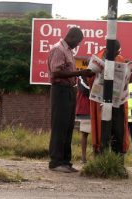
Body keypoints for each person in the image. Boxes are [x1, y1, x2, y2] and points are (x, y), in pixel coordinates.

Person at [48, 27, 94, 173]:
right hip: (60, 90)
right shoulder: (59, 49)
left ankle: (66, 161)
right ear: (72, 37)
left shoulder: (68, 51)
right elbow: (56, 71)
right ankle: (56, 162)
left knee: (68, 127)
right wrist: (80, 72)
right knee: (59, 126)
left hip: (69, 90)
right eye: (78, 42)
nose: (78, 45)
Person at [88, 40, 130, 157]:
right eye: (114, 53)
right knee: (102, 131)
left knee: (118, 131)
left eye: (118, 52)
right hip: (100, 102)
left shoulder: (121, 59)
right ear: (107, 49)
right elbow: (89, 79)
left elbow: (127, 81)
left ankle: (118, 160)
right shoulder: (98, 58)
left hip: (117, 103)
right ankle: (101, 158)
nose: (117, 55)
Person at [75, 75, 91, 163]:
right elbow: (85, 90)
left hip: (95, 108)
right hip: (85, 108)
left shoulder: (99, 76)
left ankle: (97, 157)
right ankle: (83, 158)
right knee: (85, 133)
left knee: (98, 135)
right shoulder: (81, 77)